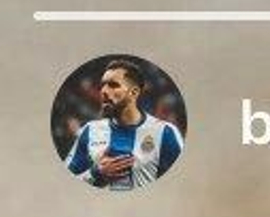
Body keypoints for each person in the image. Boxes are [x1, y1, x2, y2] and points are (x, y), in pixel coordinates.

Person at [65, 60, 183, 193]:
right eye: (102, 85)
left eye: (113, 85)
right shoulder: (90, 130)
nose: (104, 91)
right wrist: (94, 173)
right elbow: (64, 185)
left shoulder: (165, 132)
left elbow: (182, 185)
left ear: (134, 92)